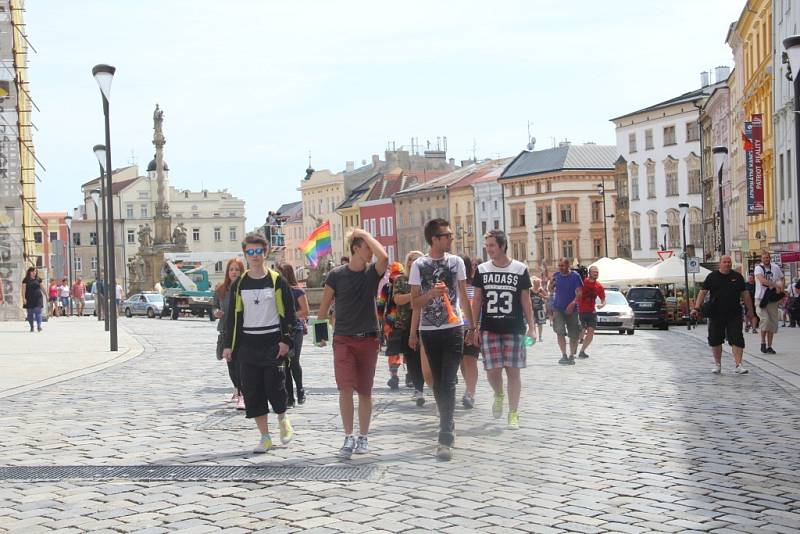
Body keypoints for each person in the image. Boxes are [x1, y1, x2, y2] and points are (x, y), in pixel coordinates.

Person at [317, 228, 388, 459]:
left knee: (365, 391)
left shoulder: (372, 273)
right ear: (356, 248)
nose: (371, 251)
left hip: (368, 338)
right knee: (345, 388)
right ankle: (348, 436)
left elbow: (384, 257)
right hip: (343, 339)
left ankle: (363, 437)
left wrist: (367, 236)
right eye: (367, 246)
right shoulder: (336, 275)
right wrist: (320, 335)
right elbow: (323, 308)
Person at [221, 234, 296, 454]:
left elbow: (289, 314)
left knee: (275, 387)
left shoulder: (276, 280)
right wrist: (228, 345)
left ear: (266, 252)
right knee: (252, 391)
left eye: (258, 252)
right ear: (245, 255)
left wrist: (286, 341)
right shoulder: (239, 284)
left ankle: (283, 417)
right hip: (248, 344)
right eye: (250, 252)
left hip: (273, 341)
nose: (254, 256)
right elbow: (232, 318)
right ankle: (265, 437)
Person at [409, 218, 476, 461]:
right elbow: (414, 302)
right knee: (437, 382)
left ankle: (444, 434)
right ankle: (447, 419)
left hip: (453, 327)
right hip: (429, 330)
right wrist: (430, 295)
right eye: (446, 235)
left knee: (448, 380)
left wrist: (472, 326)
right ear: (434, 239)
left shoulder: (456, 262)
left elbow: (464, 296)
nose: (451, 238)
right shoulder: (419, 265)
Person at [470, 230, 534, 430]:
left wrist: (531, 326)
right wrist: (474, 327)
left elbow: (525, 299)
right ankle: (498, 394)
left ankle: (513, 413)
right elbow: (478, 299)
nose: (488, 249)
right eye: (487, 245)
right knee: (493, 370)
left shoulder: (519, 269)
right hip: (490, 328)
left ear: (502, 246)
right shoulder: (482, 269)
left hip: (514, 328)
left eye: (491, 245)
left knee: (513, 371)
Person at [692, 255, 755, 374]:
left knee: (737, 338)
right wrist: (696, 307)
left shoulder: (737, 277)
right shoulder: (712, 277)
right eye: (725, 262)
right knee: (715, 339)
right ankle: (718, 364)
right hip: (716, 313)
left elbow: (745, 294)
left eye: (729, 262)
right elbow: (702, 292)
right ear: (719, 264)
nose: (727, 264)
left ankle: (738, 365)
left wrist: (750, 310)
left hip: (734, 313)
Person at [393, 251, 429, 406]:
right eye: (410, 260)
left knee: (428, 356)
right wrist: (414, 295)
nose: (412, 262)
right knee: (413, 358)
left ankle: (433, 383)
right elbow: (397, 300)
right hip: (406, 323)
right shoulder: (401, 280)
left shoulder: (428, 278)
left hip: (427, 322)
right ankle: (418, 388)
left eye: (416, 260)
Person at [214, 258, 245, 410]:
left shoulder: (245, 287)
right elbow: (213, 308)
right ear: (227, 272)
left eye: (237, 269)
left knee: (241, 364)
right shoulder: (221, 289)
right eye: (231, 269)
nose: (234, 272)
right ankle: (237, 389)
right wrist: (216, 313)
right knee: (231, 364)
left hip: (242, 331)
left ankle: (241, 393)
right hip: (226, 330)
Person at [277, 263, 309, 407]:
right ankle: (289, 396)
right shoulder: (277, 291)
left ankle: (300, 389)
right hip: (281, 330)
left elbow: (305, 311)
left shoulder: (297, 291)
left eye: (279, 274)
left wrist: (288, 316)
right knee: (284, 363)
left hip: (295, 329)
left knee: (294, 361)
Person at [548, 258, 583, 365]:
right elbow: (550, 290)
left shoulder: (575, 276)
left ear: (568, 266)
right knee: (560, 332)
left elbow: (580, 293)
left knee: (574, 334)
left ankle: (572, 355)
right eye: (559, 266)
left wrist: (572, 304)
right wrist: (551, 284)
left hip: (572, 310)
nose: (560, 268)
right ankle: (564, 355)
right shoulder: (556, 275)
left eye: (562, 266)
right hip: (558, 308)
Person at [378, 261, 405, 391]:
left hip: (390, 322)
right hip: (406, 321)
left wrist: (379, 319)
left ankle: (394, 376)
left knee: (393, 351)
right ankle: (411, 375)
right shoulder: (407, 285)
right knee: (409, 349)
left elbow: (381, 304)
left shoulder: (387, 287)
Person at [459, 255, 480, 410]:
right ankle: (468, 387)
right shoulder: (453, 286)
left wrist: (477, 327)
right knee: (462, 361)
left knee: (470, 359)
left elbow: (480, 307)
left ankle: (470, 392)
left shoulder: (476, 285)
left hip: (471, 327)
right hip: (455, 328)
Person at [754, 251, 783, 354]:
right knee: (765, 320)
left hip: (772, 299)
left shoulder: (775, 267)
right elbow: (762, 281)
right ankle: (763, 343)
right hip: (761, 298)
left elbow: (781, 278)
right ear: (761, 259)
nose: (766, 259)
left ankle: (770, 346)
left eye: (767, 258)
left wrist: (781, 287)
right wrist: (775, 285)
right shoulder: (758, 268)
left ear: (770, 258)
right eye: (764, 258)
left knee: (772, 323)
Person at [577, 266, 605, 359]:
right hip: (581, 311)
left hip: (591, 312)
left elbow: (603, 299)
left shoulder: (599, 286)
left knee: (591, 332)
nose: (596, 273)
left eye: (597, 272)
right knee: (580, 330)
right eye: (594, 272)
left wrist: (602, 304)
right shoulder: (583, 282)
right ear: (589, 273)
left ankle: (582, 351)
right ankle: (574, 348)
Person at [22, 267, 46, 332]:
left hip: (38, 298)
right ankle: (32, 326)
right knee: (30, 314)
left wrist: (46, 295)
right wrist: (23, 298)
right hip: (29, 299)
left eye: (35, 271)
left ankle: (39, 326)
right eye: (33, 271)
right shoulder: (25, 280)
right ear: (29, 272)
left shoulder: (38, 279)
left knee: (38, 312)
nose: (34, 273)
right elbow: (23, 290)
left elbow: (42, 288)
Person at [530, 277, 548, 342]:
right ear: (533, 283)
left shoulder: (541, 289)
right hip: (532, 309)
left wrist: (542, 296)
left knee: (540, 324)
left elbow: (548, 297)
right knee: (533, 323)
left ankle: (540, 337)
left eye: (538, 283)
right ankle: (534, 337)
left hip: (540, 309)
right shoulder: (530, 290)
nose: (537, 285)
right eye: (536, 283)